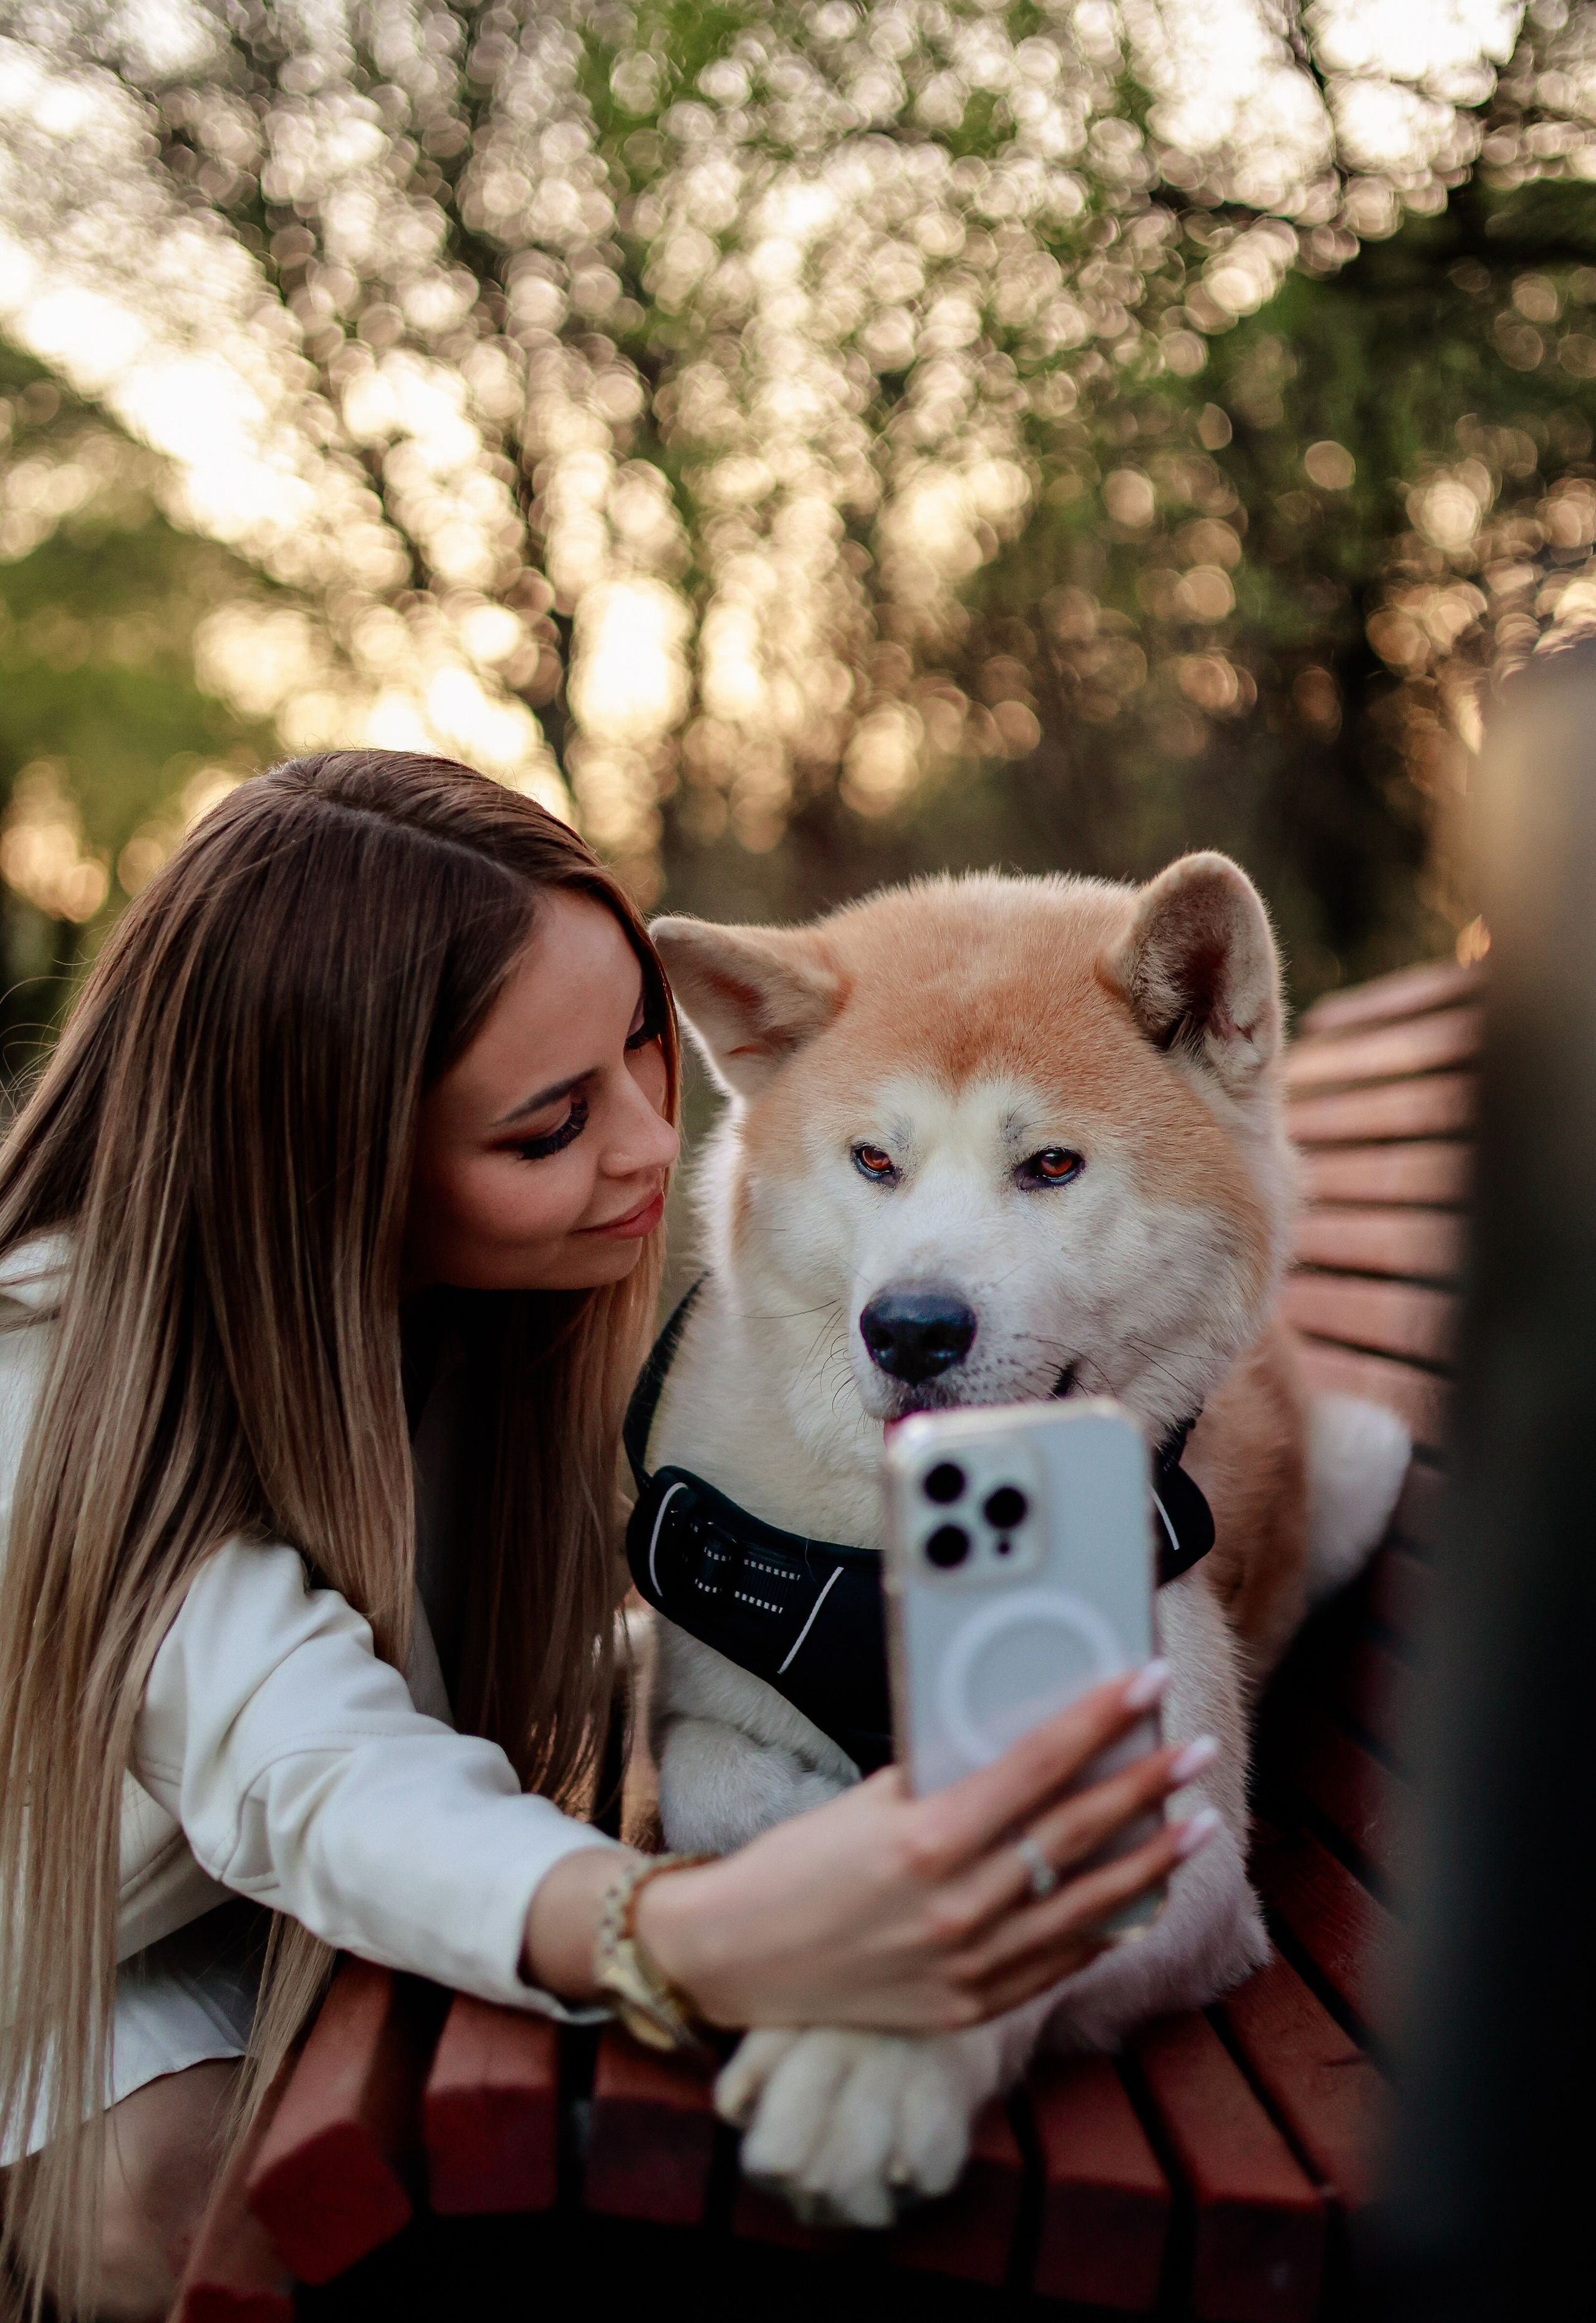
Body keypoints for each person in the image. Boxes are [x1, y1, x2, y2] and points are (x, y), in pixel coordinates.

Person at [0, 753, 1214, 2319]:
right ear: (327, 1161)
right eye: (552, 1123)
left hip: (226, 1906)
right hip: (59, 1962)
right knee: (203, 2223)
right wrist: (680, 1929)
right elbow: (306, 1765)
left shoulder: (479, 1305)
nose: (656, 1142)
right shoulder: (47, 1387)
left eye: (645, 1042)